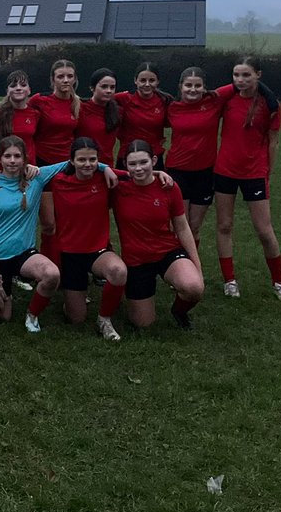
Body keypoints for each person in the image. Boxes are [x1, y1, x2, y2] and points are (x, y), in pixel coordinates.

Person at [214, 56, 281, 302]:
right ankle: (230, 281)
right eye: (236, 75)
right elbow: (208, 96)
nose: (240, 80)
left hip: (255, 173)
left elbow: (273, 140)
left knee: (264, 230)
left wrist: (268, 171)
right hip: (224, 170)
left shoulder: (270, 104)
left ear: (258, 74)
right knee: (224, 226)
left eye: (246, 75)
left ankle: (279, 282)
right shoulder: (228, 98)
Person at [0, 136, 71, 330]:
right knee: (1, 317)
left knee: (52, 274)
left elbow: (74, 161)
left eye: (17, 156)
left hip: (23, 254)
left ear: (24, 158)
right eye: (7, 156)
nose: (12, 161)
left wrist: (106, 169)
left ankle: (32, 315)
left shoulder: (37, 178)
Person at [112, 141, 204, 330]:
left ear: (154, 160)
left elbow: (182, 227)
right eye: (132, 164)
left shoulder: (169, 186)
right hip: (136, 259)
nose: (138, 168)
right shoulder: (117, 187)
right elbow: (89, 168)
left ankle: (179, 311)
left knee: (193, 287)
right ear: (125, 165)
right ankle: (126, 289)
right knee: (144, 324)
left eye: (143, 162)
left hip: (166, 251)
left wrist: (197, 267)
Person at [45, 137, 128, 341]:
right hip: (69, 254)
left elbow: (138, 175)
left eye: (92, 159)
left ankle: (104, 319)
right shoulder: (57, 181)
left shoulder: (103, 177)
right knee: (77, 319)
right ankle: (71, 300)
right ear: (71, 161)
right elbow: (28, 175)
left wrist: (159, 173)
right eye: (81, 160)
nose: (88, 164)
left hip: (97, 251)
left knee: (118, 271)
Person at [165, 67, 233, 246]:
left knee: (194, 226)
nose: (192, 89)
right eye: (188, 85)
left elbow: (243, 81)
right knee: (180, 225)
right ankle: (180, 266)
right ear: (180, 86)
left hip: (205, 172)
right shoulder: (171, 107)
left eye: (197, 85)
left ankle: (193, 264)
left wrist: (271, 100)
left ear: (204, 88)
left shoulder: (214, 102)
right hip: (178, 171)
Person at [29, 59, 80, 266]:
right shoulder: (40, 101)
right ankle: (47, 265)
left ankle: (64, 264)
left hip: (67, 168)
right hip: (43, 167)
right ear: (53, 80)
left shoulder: (77, 104)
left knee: (67, 222)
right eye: (60, 76)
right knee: (49, 223)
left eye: (69, 76)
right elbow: (15, 107)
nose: (65, 80)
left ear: (75, 79)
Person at [114, 62, 171, 168]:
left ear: (158, 81)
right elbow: (101, 100)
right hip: (127, 157)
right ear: (135, 81)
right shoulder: (123, 99)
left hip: (154, 157)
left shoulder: (164, 101)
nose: (147, 84)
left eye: (152, 80)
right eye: (143, 80)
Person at [75, 68, 121, 167]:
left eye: (112, 87)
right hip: (83, 166)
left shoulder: (117, 111)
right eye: (104, 87)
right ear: (92, 87)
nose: (108, 91)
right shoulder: (80, 108)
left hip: (107, 167)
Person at [0, 70, 39, 165]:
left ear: (29, 90)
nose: (18, 88)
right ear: (7, 91)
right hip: (5, 167)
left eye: (23, 85)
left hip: (29, 167)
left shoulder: (35, 113)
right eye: (13, 86)